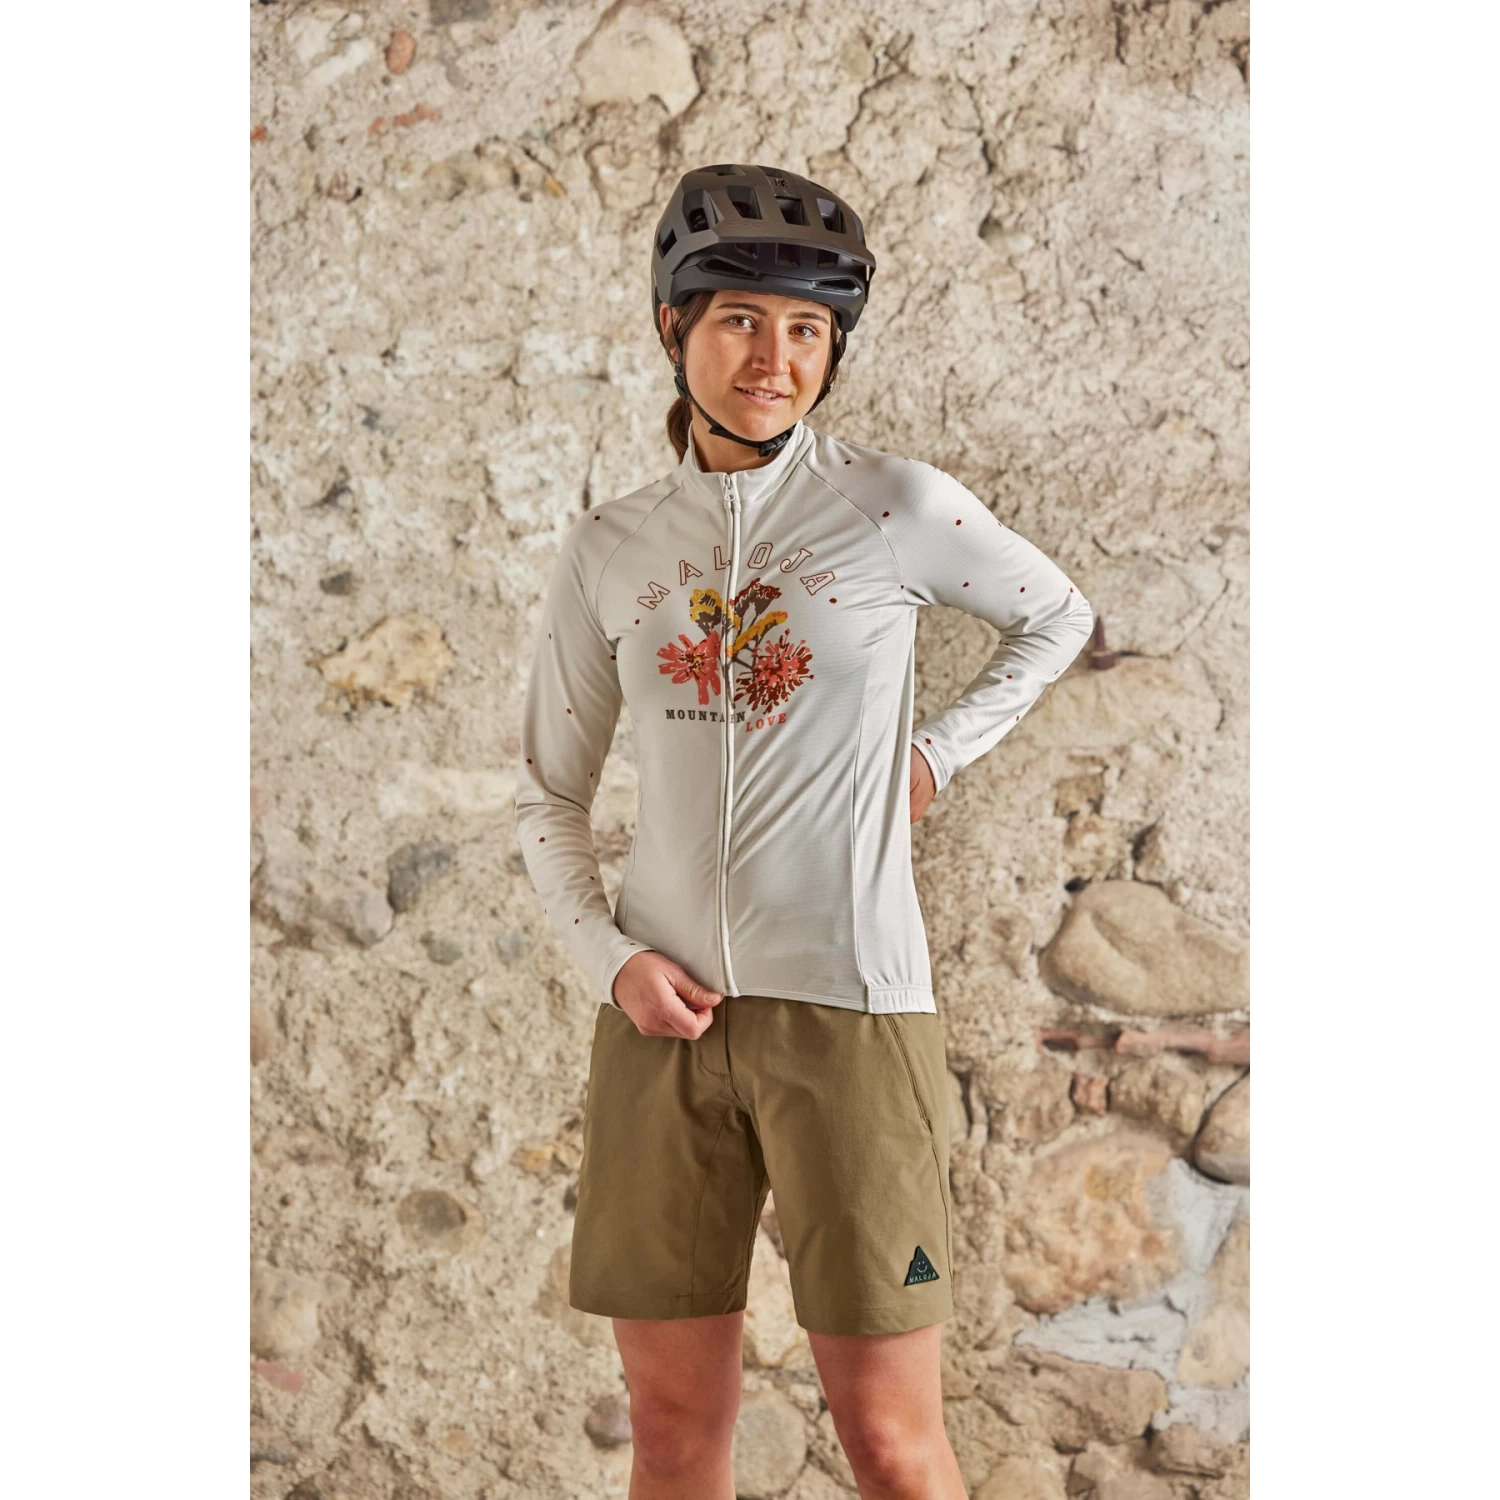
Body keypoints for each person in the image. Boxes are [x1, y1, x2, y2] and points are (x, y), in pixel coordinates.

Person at [515, 164, 1095, 1500]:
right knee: (673, 1433)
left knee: (891, 1442)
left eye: (806, 330)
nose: (773, 358)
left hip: (852, 1015)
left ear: (833, 348)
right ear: (674, 327)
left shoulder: (893, 507)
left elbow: (1054, 616)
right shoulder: (611, 546)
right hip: (663, 1028)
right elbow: (548, 795)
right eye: (738, 320)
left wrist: (936, 755)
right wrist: (610, 959)